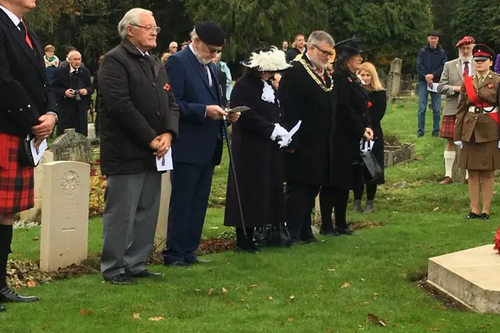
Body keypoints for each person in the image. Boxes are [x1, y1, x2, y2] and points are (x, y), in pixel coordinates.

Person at [98, 8, 179, 284]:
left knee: (147, 209)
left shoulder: (154, 62)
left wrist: (168, 133)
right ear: (130, 30)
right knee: (122, 212)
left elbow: (170, 102)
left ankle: (135, 262)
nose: (155, 31)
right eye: (148, 27)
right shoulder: (115, 61)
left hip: (154, 151)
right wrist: (150, 138)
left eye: (155, 27)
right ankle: (113, 267)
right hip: (126, 151)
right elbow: (121, 106)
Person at [163, 21, 240, 266]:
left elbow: (214, 98)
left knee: (198, 202)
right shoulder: (178, 62)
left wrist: (227, 113)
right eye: (211, 50)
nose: (214, 55)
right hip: (187, 143)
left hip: (209, 144)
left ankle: (189, 250)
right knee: (183, 201)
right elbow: (173, 103)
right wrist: (204, 111)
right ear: (195, 42)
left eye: (217, 51)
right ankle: (174, 253)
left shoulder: (212, 68)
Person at [0, 0, 58, 311]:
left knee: (6, 212)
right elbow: (3, 82)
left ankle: (1, 285)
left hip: (22, 130)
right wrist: (35, 120)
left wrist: (51, 113)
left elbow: (44, 81)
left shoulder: (26, 31)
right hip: (5, 128)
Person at [224, 47, 291, 253]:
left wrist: (282, 129)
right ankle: (244, 237)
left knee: (266, 189)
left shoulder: (268, 86)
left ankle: (264, 232)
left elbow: (275, 110)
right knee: (248, 191)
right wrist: (271, 129)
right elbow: (246, 116)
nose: (270, 75)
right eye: (267, 71)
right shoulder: (244, 86)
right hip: (249, 147)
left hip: (268, 147)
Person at [279, 30, 337, 244]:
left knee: (312, 187)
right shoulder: (296, 71)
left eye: (330, 54)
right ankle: (292, 233)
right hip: (301, 142)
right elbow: (288, 107)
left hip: (321, 142)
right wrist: (291, 140)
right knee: (297, 188)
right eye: (324, 52)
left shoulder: (323, 73)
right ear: (311, 49)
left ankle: (305, 230)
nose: (327, 57)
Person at [319, 38, 373, 235]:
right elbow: (345, 109)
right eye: (356, 55)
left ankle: (341, 221)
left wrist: (367, 126)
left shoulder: (352, 77)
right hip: (340, 136)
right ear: (347, 59)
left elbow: (363, 105)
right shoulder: (339, 79)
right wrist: (360, 129)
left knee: (346, 181)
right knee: (334, 180)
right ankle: (327, 223)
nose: (360, 58)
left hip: (352, 136)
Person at [454, 44, 500, 221]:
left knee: (488, 172)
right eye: (476, 61)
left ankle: (486, 210)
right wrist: (457, 135)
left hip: (490, 129)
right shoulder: (468, 82)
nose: (479, 64)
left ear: (490, 62)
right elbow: (461, 108)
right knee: (472, 171)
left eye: (482, 61)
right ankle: (474, 209)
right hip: (470, 129)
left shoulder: (497, 81)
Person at [437, 36, 475, 185]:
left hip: (473, 108)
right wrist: (456, 89)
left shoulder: (478, 64)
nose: (465, 51)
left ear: (472, 49)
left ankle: (467, 176)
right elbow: (441, 86)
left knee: (470, 141)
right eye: (462, 49)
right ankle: (448, 175)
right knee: (450, 141)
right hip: (453, 108)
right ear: (458, 50)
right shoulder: (449, 65)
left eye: (468, 48)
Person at [353, 62, 386, 213]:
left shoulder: (379, 94)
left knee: (372, 168)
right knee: (357, 169)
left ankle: (370, 203)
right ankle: (356, 202)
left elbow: (377, 115)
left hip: (373, 134)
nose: (365, 78)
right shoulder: (354, 92)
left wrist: (366, 127)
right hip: (356, 133)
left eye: (368, 75)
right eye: (362, 75)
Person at [52, 50, 94, 136]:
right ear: (69, 60)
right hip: (66, 108)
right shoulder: (60, 71)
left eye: (79, 59)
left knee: (81, 133)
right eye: (75, 59)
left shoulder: (85, 71)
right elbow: (54, 88)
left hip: (81, 108)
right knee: (65, 134)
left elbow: (91, 87)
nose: (77, 62)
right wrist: (64, 92)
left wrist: (86, 91)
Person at [416, 31, 447, 137]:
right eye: (431, 38)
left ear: (438, 40)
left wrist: (433, 76)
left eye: (435, 38)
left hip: (437, 82)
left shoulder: (442, 53)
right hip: (423, 82)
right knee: (422, 108)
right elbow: (419, 66)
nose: (433, 40)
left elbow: (443, 66)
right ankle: (420, 131)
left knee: (437, 109)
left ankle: (436, 131)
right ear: (428, 39)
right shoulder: (422, 52)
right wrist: (426, 77)